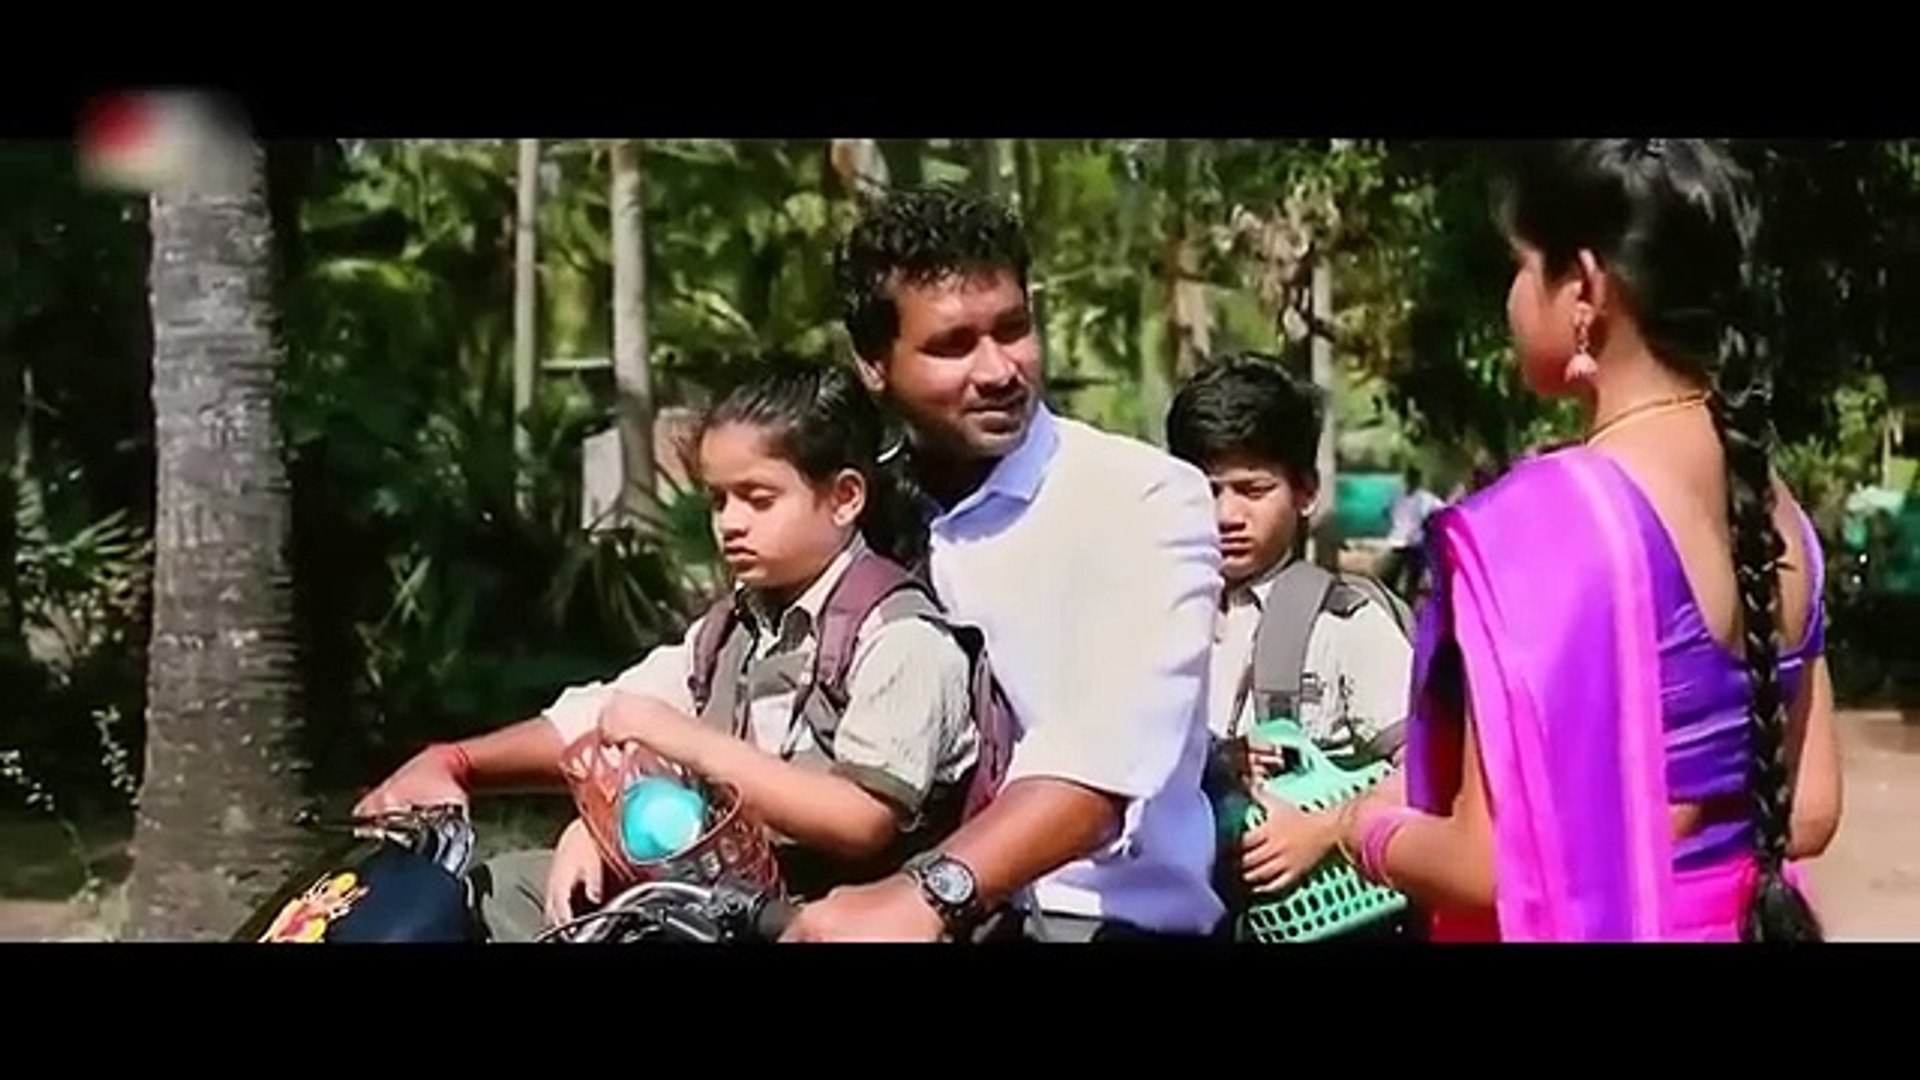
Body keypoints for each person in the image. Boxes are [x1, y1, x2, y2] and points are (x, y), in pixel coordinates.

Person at [1334, 139, 1843, 942]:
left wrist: (1364, 828)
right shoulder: (1776, 510)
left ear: (1584, 289)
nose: (1511, 297)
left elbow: (1489, 862)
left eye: (1521, 266)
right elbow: (1807, 811)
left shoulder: (1548, 523)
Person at [360, 362, 981, 941]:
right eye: (718, 499)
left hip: (832, 920)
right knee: (491, 891)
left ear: (845, 497)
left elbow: (860, 819)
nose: (729, 523)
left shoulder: (900, 637)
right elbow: (601, 716)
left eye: (758, 498)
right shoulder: (735, 627)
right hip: (713, 899)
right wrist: (460, 764)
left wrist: (691, 743)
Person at [779, 185, 1225, 942]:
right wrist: (609, 784)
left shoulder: (1145, 499)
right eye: (953, 345)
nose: (998, 370)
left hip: (1094, 923)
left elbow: (1098, 767)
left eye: (1014, 330)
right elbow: (716, 671)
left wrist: (923, 897)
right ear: (874, 365)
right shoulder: (859, 511)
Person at [1164, 354, 1414, 938]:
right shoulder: (1158, 618)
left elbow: (1430, 770)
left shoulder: (1344, 621)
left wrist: (1327, 829)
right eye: (1207, 490)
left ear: (1305, 491)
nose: (1227, 515)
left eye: (1253, 490)